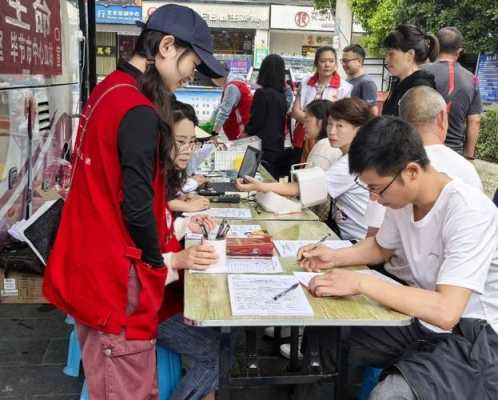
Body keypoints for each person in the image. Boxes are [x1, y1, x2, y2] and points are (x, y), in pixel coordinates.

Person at [42, 5, 225, 399]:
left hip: (91, 268)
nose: (191, 74)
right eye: (192, 63)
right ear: (167, 46)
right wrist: (159, 264)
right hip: (114, 281)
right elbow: (137, 206)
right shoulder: (138, 111)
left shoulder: (109, 90)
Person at [298, 116, 498, 400]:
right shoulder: (404, 200)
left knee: (391, 395)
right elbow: (380, 248)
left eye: (377, 188)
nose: (375, 199)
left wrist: (359, 283)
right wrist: (332, 257)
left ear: (412, 171)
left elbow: (446, 311)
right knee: (326, 339)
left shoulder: (468, 212)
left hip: (473, 335)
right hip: (421, 318)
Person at [237, 97, 372, 241]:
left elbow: (298, 188)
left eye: (340, 126)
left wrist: (260, 186)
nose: (332, 131)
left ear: (358, 130)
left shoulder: (350, 162)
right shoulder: (349, 155)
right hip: (348, 235)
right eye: (330, 124)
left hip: (358, 241)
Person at [366, 86, 483, 245]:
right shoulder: (467, 171)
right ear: (443, 117)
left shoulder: (388, 166)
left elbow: (373, 236)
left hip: (390, 266)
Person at [422, 27, 482, 158]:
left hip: (422, 150)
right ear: (459, 51)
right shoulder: (472, 79)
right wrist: (468, 156)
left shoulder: (420, 73)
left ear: (435, 46)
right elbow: (475, 121)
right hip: (454, 154)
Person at [291, 46, 352, 161]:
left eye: (331, 61)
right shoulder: (305, 82)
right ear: (316, 63)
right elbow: (295, 111)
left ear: (336, 64)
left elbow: (342, 118)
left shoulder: (345, 88)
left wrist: (316, 124)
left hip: (328, 139)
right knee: (299, 170)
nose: (327, 65)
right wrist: (315, 123)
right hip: (303, 136)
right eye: (323, 61)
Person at [245, 54, 288, 179]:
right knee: (271, 182)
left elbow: (256, 121)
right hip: (277, 145)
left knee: (256, 181)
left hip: (261, 146)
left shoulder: (261, 94)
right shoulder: (282, 95)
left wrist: (246, 130)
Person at [382, 24, 438, 116]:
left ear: (410, 54)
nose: (387, 60)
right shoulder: (400, 83)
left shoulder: (420, 89)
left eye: (391, 54)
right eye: (386, 54)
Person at [167, 101, 210, 213]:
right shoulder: (149, 170)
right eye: (181, 141)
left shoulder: (173, 170)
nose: (188, 150)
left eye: (192, 141)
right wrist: (186, 206)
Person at [211, 68, 253, 140]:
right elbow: (219, 108)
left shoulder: (232, 87)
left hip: (240, 134)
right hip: (242, 132)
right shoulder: (240, 84)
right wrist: (210, 124)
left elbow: (223, 113)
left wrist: (214, 134)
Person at [300, 99, 342, 170]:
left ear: (320, 122)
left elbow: (310, 179)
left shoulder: (324, 146)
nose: (304, 126)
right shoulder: (333, 143)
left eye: (307, 120)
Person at [341, 44, 378, 114]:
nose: (343, 64)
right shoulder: (347, 80)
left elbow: (373, 112)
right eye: (342, 61)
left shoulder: (367, 83)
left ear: (359, 61)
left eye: (346, 61)